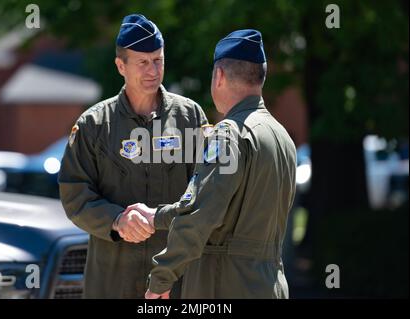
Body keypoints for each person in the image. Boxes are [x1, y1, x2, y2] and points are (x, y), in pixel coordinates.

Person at [126, 29, 297, 299]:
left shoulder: (229, 133)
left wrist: (162, 277)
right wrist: (157, 216)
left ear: (219, 76)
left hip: (225, 285)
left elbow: (201, 214)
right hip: (269, 284)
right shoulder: (280, 135)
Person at [58, 14, 208, 298]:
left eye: (158, 60)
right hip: (112, 279)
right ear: (120, 66)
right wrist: (116, 220)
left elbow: (205, 193)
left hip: (176, 279)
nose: (153, 70)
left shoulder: (190, 117)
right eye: (143, 62)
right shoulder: (94, 125)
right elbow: (74, 194)